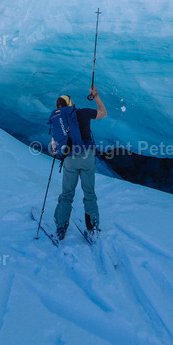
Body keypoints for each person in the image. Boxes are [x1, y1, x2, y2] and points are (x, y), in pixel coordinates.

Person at [50, 86, 107, 240]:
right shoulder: (82, 113)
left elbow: (55, 147)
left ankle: (61, 227)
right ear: (70, 103)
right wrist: (96, 96)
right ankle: (93, 227)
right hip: (87, 156)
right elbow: (103, 112)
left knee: (67, 194)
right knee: (89, 192)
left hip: (70, 160)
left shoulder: (57, 120)